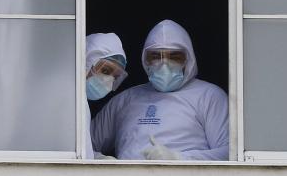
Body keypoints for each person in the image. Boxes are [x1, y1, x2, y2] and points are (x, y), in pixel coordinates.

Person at [91, 19, 229, 160]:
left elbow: (230, 153)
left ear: (189, 59)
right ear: (145, 60)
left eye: (174, 57)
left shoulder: (209, 96)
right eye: (155, 56)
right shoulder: (125, 100)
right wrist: (100, 161)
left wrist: (179, 159)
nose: (164, 64)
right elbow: (83, 146)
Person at [85, 33, 128, 159]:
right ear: (86, 61)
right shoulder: (69, 100)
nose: (108, 80)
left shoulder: (80, 103)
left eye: (115, 77)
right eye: (105, 70)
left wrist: (97, 158)